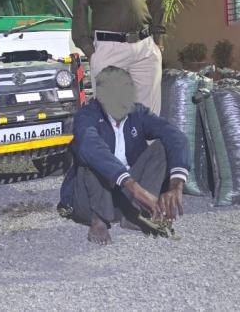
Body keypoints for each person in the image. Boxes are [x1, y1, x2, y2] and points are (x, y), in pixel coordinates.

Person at [59, 66, 189, 245]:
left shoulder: (138, 113)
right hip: (89, 202)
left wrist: (176, 185)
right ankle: (99, 220)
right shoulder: (87, 115)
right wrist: (137, 189)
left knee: (161, 147)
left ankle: (136, 213)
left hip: (124, 197)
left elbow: (175, 136)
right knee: (91, 158)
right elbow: (90, 147)